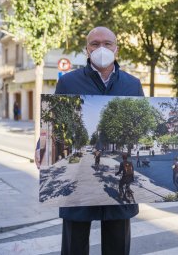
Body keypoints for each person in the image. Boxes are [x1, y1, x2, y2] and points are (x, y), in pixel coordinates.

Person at [42, 27, 144, 255]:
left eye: (107, 43)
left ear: (116, 48)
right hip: (77, 182)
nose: (101, 48)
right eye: (95, 44)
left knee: (118, 241)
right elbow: (54, 125)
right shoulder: (67, 83)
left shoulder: (132, 84)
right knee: (74, 242)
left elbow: (137, 128)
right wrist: (43, 148)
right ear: (86, 50)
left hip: (117, 199)